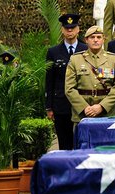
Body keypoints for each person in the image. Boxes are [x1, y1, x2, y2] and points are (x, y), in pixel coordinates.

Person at [65, 26, 115, 123]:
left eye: (99, 37)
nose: (95, 40)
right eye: (92, 37)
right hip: (82, 114)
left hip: (106, 113)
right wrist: (84, 107)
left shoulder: (114, 59)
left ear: (103, 39)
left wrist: (102, 106)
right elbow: (69, 88)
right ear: (86, 40)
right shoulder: (75, 59)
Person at [46, 13, 87, 150]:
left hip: (82, 103)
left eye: (73, 27)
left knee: (82, 142)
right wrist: (49, 106)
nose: (70, 31)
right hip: (61, 104)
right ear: (62, 30)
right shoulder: (53, 52)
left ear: (78, 29)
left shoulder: (85, 50)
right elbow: (49, 80)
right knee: (64, 143)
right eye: (67, 28)